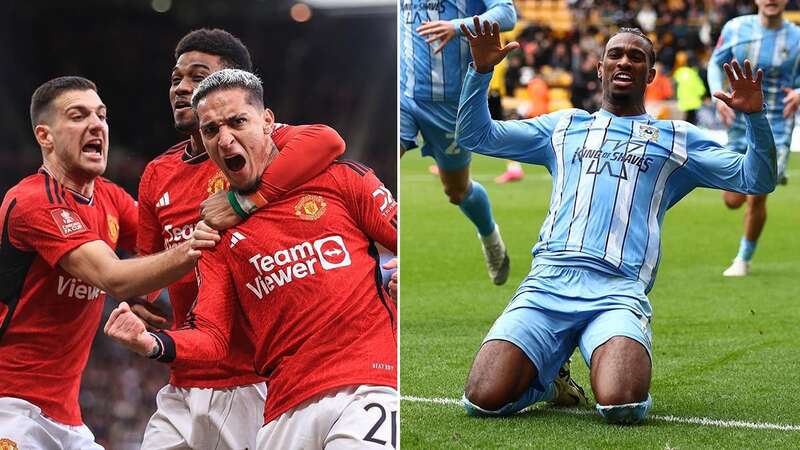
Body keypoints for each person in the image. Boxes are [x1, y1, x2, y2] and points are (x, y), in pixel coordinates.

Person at [456, 19, 775, 424]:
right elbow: (475, 137)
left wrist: (756, 119)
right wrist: (480, 72)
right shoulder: (564, 126)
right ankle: (551, 377)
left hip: (617, 291)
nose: (625, 61)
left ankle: (603, 348)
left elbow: (756, 178)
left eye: (637, 57)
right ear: (600, 67)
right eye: (616, 54)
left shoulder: (677, 138)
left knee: (620, 404)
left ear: (651, 74)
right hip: (547, 284)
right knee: (481, 400)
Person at [106, 69, 398, 448]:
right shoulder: (214, 234)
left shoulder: (341, 180)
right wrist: (153, 343)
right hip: (284, 407)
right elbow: (212, 337)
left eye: (237, 122)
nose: (225, 139)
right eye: (211, 130)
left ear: (268, 122)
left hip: (367, 384)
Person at [136, 28, 347, 450]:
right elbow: (149, 267)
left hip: (252, 382)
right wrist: (142, 305)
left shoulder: (260, 147)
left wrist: (246, 201)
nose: (181, 88)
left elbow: (328, 140)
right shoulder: (157, 173)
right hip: (183, 378)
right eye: (176, 78)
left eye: (197, 76)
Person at [0, 76, 217, 449]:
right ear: (45, 136)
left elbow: (161, 240)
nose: (96, 125)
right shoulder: (34, 202)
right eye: (78, 115)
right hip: (10, 407)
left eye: (101, 115)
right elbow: (113, 276)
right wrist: (201, 240)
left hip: (66, 419)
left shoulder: (109, 199)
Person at [400, 0, 516, 285]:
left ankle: (489, 236)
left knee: (456, 190)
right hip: (405, 97)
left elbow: (507, 15)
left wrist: (456, 26)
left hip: (452, 105)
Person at [707, 0, 800, 277]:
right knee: (733, 199)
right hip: (738, 121)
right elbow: (715, 62)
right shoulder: (736, 28)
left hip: (777, 124)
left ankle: (743, 259)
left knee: (757, 195)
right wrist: (717, 98)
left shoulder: (796, 36)